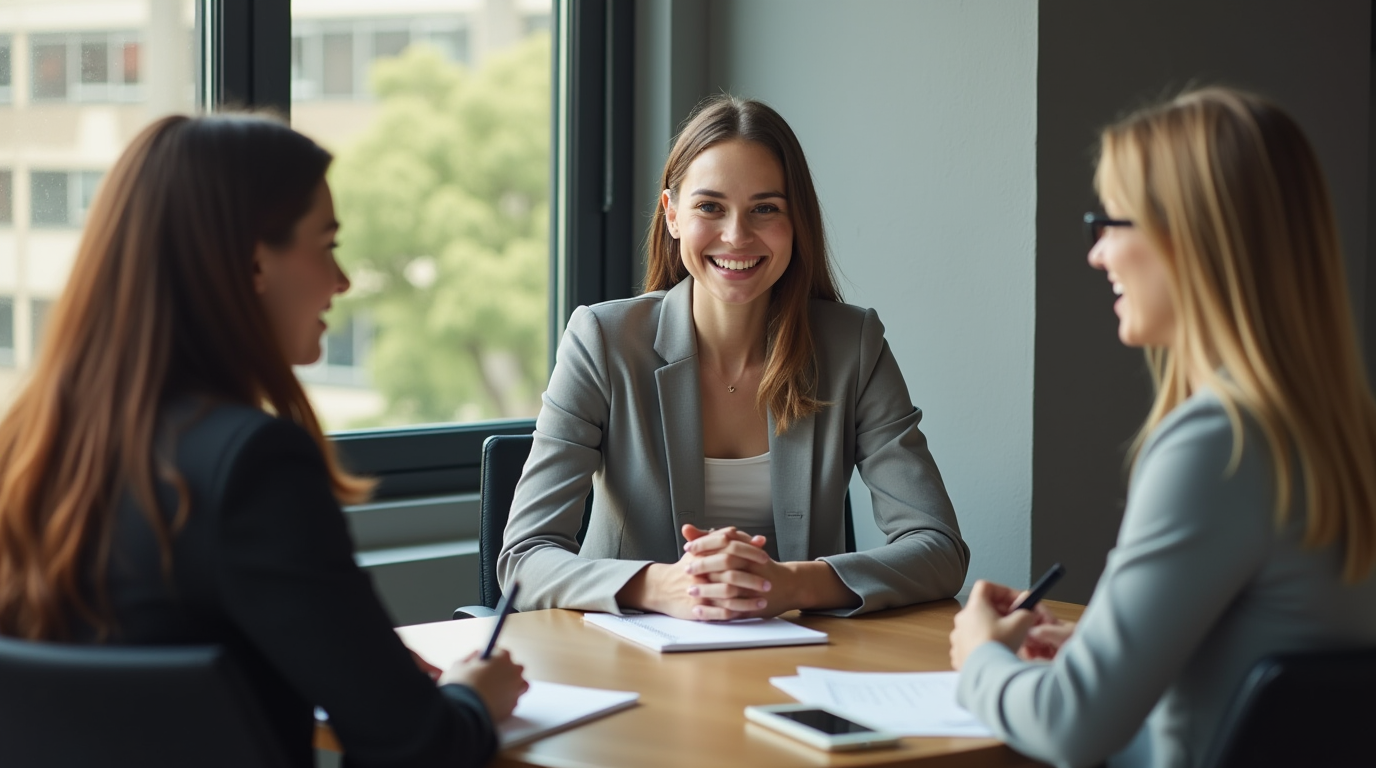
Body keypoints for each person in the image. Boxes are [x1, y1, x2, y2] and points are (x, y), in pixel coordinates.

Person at [0, 114, 527, 768]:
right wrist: (473, 696)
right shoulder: (252, 465)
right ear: (254, 261)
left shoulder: (27, 447)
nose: (341, 280)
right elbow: (417, 747)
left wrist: (364, 667)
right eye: (326, 245)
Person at [949, 87, 1376, 768]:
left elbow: (1069, 727)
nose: (1097, 254)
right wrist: (1113, 664)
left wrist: (979, 660)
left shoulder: (1218, 444)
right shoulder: (1339, 437)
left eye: (1110, 222)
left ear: (1194, 239)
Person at [499, 95, 968, 620]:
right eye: (710, 207)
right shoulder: (602, 341)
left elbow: (939, 548)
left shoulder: (852, 346)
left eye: (765, 208)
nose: (737, 236)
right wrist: (663, 586)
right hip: (627, 655)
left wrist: (791, 584)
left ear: (797, 221)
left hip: (798, 654)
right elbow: (524, 558)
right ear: (672, 215)